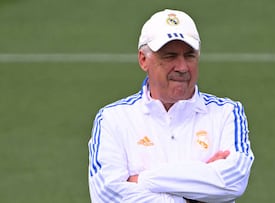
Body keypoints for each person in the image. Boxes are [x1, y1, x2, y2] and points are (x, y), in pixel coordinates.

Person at [88, 9, 254, 203]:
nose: (182, 67)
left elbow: (233, 181)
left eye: (190, 56)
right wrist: (193, 194)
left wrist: (142, 180)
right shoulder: (112, 118)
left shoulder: (227, 112)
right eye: (170, 56)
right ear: (143, 59)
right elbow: (107, 195)